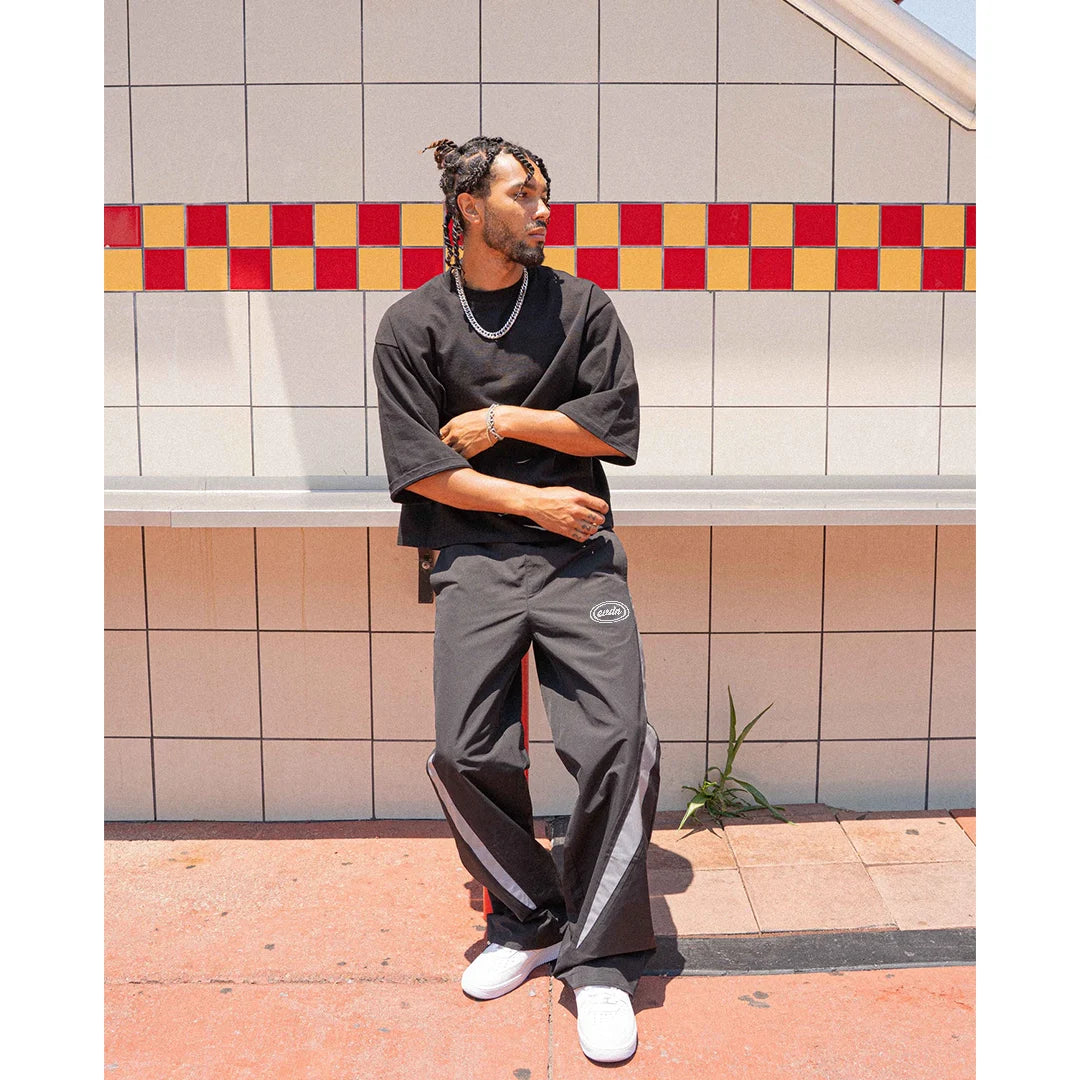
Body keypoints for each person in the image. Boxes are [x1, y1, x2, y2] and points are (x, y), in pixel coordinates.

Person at [373, 135, 661, 1064]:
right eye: (523, 194)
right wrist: (532, 498)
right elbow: (422, 469)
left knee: (617, 741)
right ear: (468, 208)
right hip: (475, 558)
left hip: (581, 560)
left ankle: (603, 959)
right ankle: (532, 915)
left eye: (544, 194)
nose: (542, 210)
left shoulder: (582, 306)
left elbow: (613, 424)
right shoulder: (412, 327)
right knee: (466, 752)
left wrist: (506, 421)